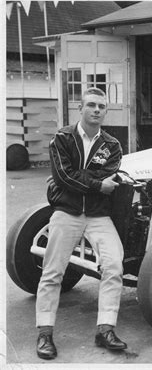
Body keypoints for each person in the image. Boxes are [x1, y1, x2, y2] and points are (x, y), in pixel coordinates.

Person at [35, 87, 127, 360]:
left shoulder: (112, 145)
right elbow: (63, 176)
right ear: (81, 108)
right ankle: (44, 334)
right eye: (91, 105)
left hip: (99, 216)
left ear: (105, 111)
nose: (96, 110)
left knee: (114, 266)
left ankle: (105, 329)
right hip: (68, 213)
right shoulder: (61, 138)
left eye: (101, 106)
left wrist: (84, 180)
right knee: (52, 272)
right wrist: (98, 184)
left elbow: (80, 176)